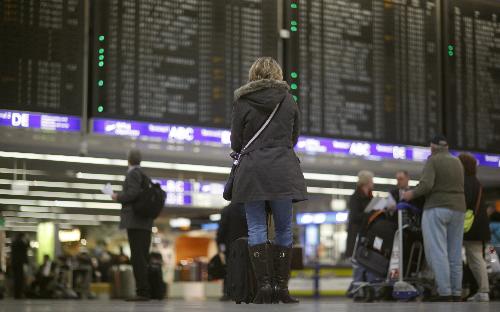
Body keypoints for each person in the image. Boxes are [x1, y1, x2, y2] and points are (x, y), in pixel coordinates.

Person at [230, 57, 307, 304]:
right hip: (283, 171)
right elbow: (294, 136)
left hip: (252, 171)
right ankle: (281, 288)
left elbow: (235, 141)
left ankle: (264, 287)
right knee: (284, 228)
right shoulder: (288, 99)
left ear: (253, 75)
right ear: (278, 73)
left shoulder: (243, 101)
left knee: (256, 227)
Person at [402, 135, 466, 302]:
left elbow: (427, 185)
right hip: (459, 209)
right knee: (455, 253)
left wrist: (411, 194)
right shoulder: (457, 161)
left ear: (432, 147)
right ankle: (456, 292)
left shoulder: (433, 160)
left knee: (438, 252)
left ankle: (444, 292)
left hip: (437, 208)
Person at [111, 149, 153, 301]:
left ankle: (142, 291)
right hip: (145, 222)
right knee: (142, 256)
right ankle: (145, 290)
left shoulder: (133, 174)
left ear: (128, 159)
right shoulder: (144, 175)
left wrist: (117, 196)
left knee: (137, 257)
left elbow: (133, 193)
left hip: (136, 222)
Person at [458, 153, 490, 302]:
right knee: (475, 258)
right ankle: (481, 290)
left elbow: (466, 202)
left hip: (473, 228)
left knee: (476, 259)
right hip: (479, 226)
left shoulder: (466, 181)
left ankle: (483, 290)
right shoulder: (475, 181)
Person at [346, 170, 377, 287]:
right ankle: (358, 288)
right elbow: (354, 217)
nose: (373, 183)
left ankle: (368, 287)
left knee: (367, 262)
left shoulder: (370, 197)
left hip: (367, 234)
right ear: (367, 182)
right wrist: (369, 213)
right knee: (359, 262)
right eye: (371, 181)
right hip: (357, 235)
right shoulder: (356, 197)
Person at [216, 202, 248, 301]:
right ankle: (244, 292)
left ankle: (228, 292)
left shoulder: (227, 210)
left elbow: (222, 228)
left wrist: (219, 242)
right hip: (246, 244)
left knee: (230, 268)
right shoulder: (248, 208)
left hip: (230, 244)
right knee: (245, 268)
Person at [11, 233, 29, 299]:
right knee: (20, 279)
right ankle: (19, 294)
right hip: (20, 263)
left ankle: (16, 294)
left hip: (14, 263)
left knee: (16, 279)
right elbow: (26, 247)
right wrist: (27, 239)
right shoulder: (21, 242)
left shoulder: (14, 243)